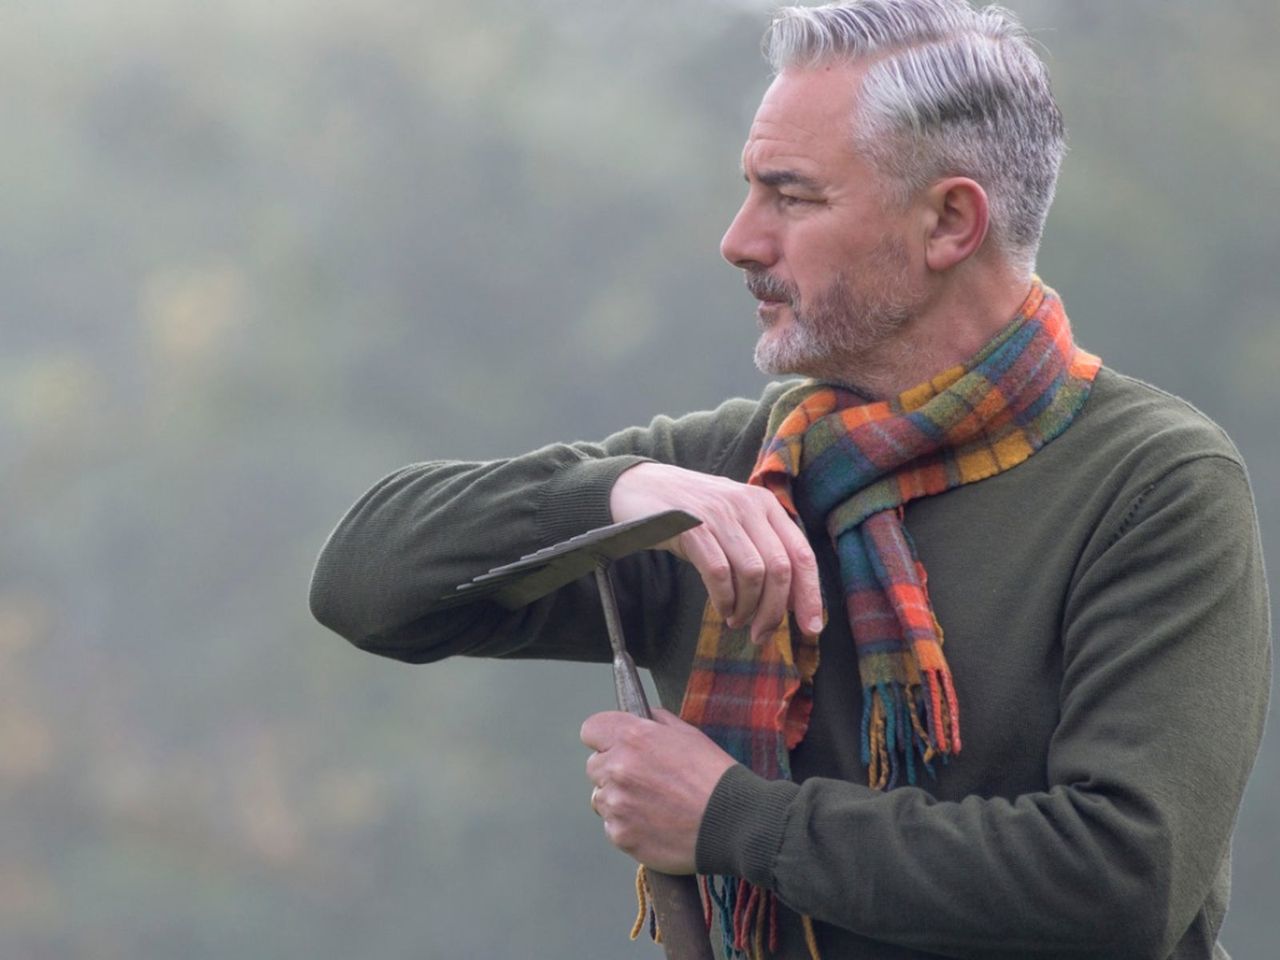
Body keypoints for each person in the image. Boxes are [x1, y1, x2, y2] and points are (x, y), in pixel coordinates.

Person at [308, 2, 1270, 957]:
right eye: (749, 190)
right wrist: (616, 493)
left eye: (793, 196)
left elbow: (1121, 882)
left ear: (949, 222)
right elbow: (365, 585)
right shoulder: (732, 476)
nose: (740, 239)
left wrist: (737, 820)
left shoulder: (1157, 483)